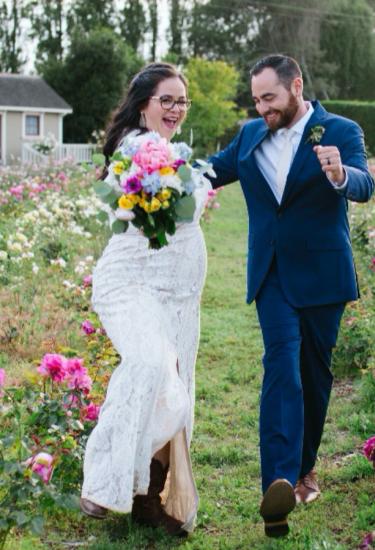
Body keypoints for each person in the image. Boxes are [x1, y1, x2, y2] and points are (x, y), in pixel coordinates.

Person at [207, 54, 374, 537]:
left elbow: (364, 184)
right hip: (273, 273)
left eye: (270, 98)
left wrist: (340, 175)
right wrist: (152, 171)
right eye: (256, 99)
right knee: (281, 364)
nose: (262, 108)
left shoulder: (339, 130)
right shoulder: (251, 133)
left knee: (314, 375)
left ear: (296, 85)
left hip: (323, 273)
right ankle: (276, 486)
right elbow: (212, 171)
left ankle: (304, 469)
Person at [80, 62, 210, 537]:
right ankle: (102, 480)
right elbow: (182, 199)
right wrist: (192, 183)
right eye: (167, 100)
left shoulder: (171, 149)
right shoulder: (136, 148)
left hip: (177, 292)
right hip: (132, 283)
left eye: (182, 101)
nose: (176, 109)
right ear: (143, 104)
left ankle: (149, 497)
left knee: (173, 383)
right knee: (150, 365)